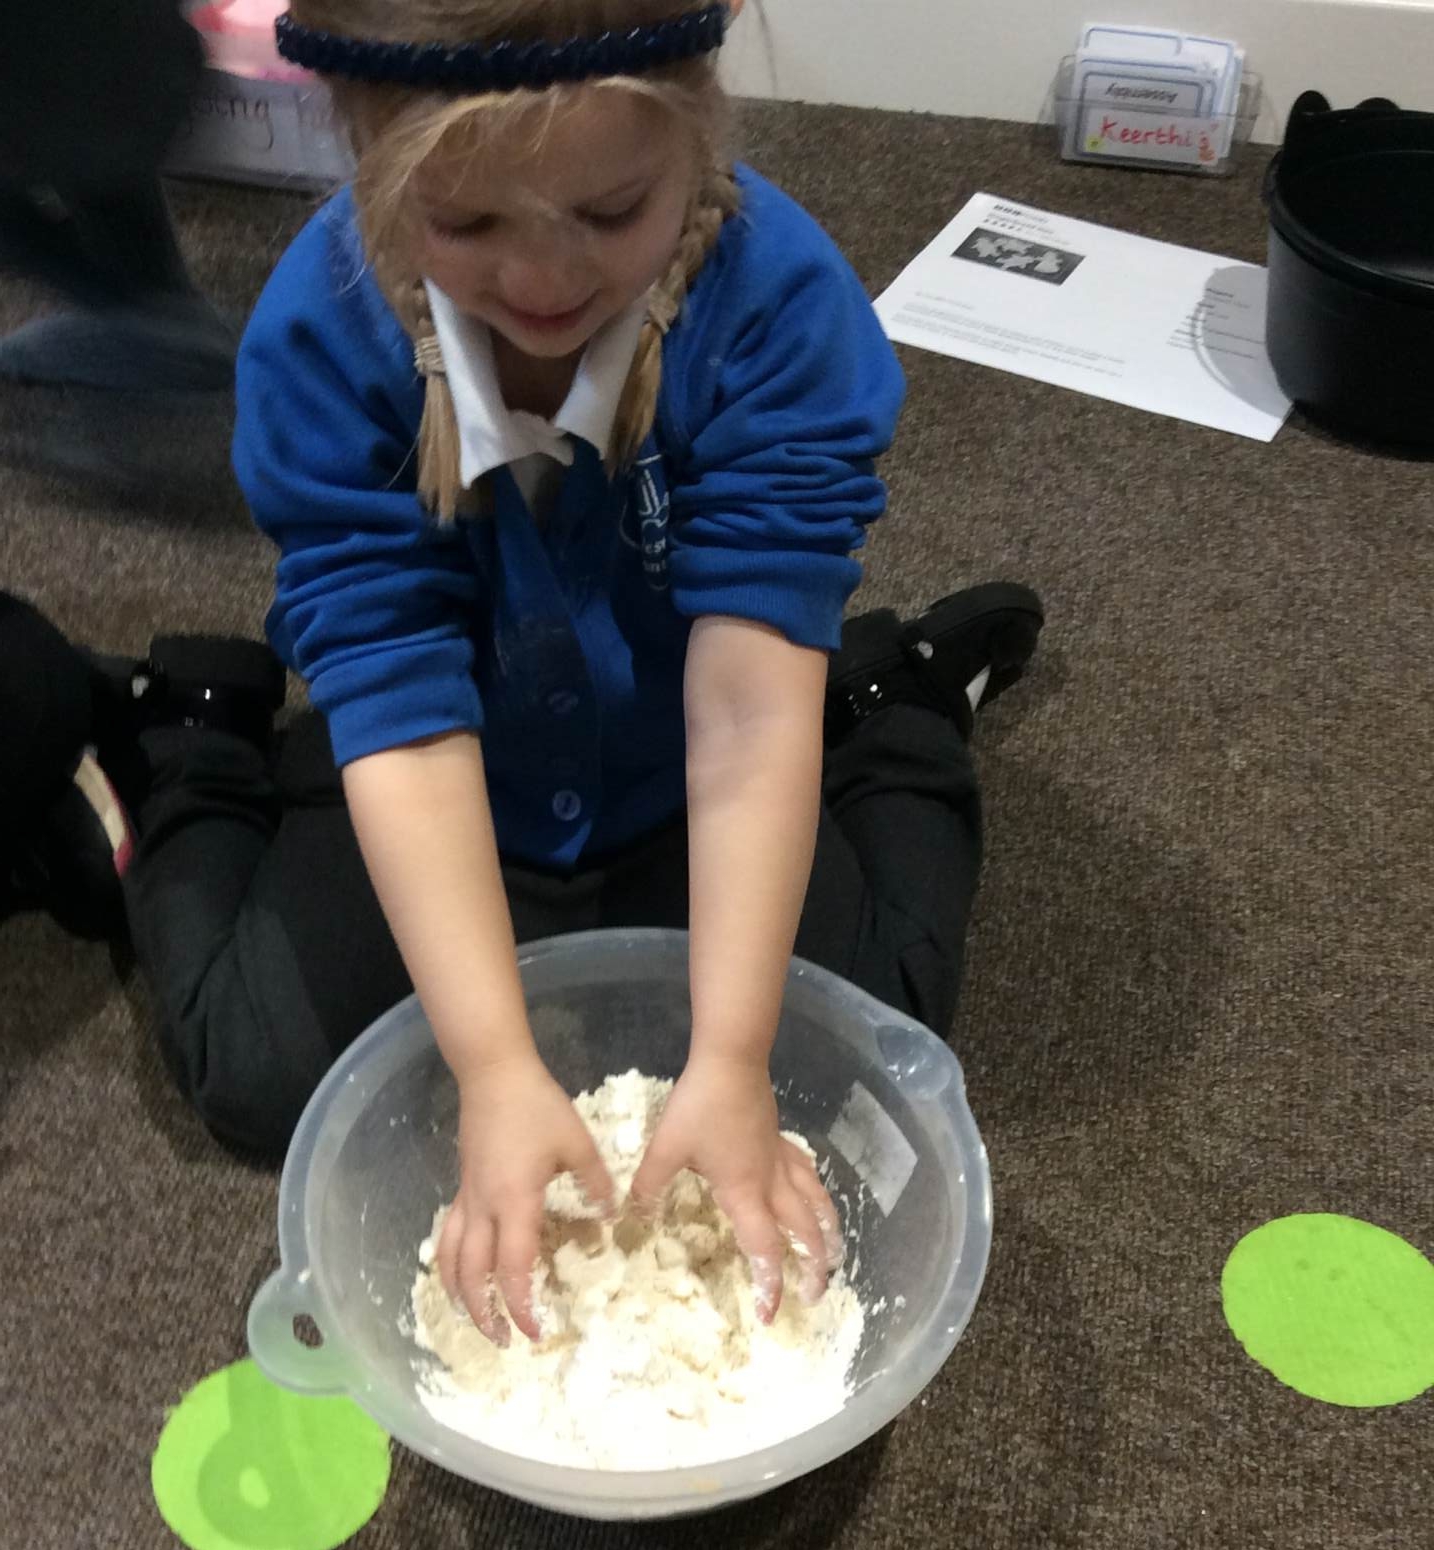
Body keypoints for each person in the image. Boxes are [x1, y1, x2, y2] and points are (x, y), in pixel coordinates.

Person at [1, 0, 1043, 1345]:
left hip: (684, 761)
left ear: (699, 136)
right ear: (368, 165)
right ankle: (194, 728)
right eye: (468, 224)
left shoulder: (776, 304)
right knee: (256, 1073)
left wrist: (733, 1059)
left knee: (868, 1058)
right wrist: (492, 1065)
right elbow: (399, 707)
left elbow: (741, 723)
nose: (545, 279)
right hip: (451, 763)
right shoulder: (323, 336)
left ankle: (894, 704)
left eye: (611, 212)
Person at [0, 0, 235, 390]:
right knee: (105, 157)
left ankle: (154, 320)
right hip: (146, 67)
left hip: (81, 90)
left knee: (88, 144)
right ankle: (158, 302)